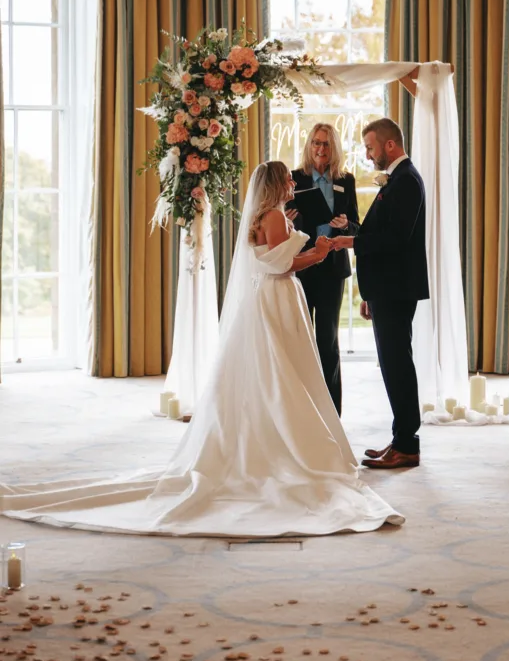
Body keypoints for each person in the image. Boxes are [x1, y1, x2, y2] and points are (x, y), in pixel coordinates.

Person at [0, 162, 403, 538]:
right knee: (286, 374)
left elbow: (268, 257)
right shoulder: (277, 217)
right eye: (288, 181)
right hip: (279, 297)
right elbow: (283, 265)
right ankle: (290, 448)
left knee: (271, 372)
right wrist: (317, 252)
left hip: (265, 298)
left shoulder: (266, 217)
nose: (293, 185)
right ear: (278, 184)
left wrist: (306, 247)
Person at [331, 118, 428, 470]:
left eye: (371, 147)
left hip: (397, 287)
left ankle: (407, 444)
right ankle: (400, 439)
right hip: (387, 287)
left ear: (389, 145)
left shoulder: (406, 181)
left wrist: (350, 241)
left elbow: (396, 240)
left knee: (398, 365)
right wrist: (353, 231)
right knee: (392, 365)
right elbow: (383, 233)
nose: (368, 155)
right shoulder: (399, 180)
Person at [288, 123, 359, 415]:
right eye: (316, 143)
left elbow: (356, 225)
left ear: (334, 148)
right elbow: (279, 226)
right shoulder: (294, 178)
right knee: (300, 340)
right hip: (302, 268)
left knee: (327, 340)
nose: (320, 149)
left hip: (332, 270)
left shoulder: (346, 180)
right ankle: (302, 411)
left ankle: (332, 412)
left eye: (326, 144)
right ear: (309, 145)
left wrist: (346, 226)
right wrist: (288, 219)